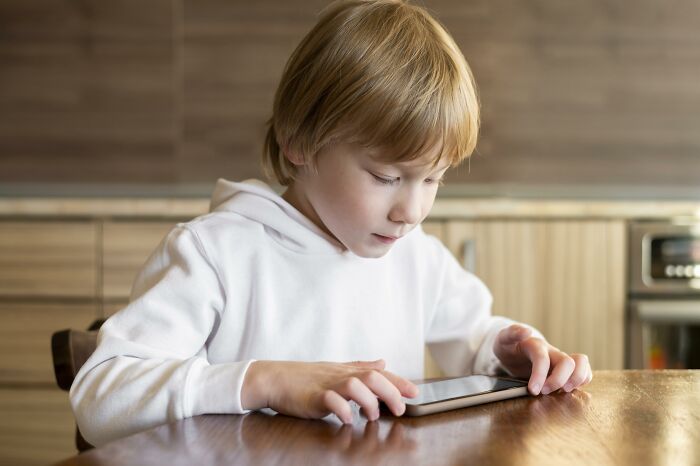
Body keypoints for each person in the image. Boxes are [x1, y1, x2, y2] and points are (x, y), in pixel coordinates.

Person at [71, 0, 592, 447]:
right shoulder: (215, 254)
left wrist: (510, 350)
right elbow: (100, 399)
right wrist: (262, 381)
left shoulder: (414, 254)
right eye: (385, 176)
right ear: (299, 142)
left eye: (433, 180)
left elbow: (474, 336)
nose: (410, 212)